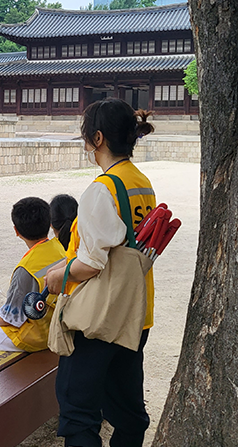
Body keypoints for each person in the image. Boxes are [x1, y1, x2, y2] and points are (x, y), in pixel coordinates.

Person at [45, 98, 156, 447]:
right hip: (136, 315)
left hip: (100, 321)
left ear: (97, 139)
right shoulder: (141, 182)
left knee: (78, 411)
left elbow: (92, 263)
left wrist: (57, 277)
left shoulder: (101, 189)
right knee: (127, 410)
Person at [0, 197, 65, 352]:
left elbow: (10, 318)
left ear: (16, 231)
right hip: (57, 326)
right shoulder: (60, 247)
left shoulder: (25, 269)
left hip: (35, 337)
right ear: (49, 223)